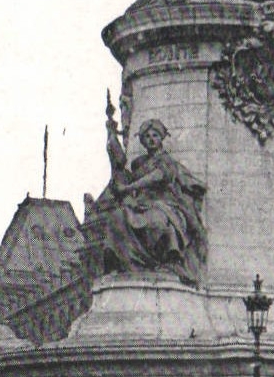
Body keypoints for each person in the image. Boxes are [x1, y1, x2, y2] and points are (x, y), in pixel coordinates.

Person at [89, 116, 207, 285]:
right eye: (147, 136)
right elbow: (121, 170)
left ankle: (166, 260)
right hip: (141, 204)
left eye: (155, 136)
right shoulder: (139, 163)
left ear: (161, 139)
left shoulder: (166, 160)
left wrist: (129, 188)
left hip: (166, 204)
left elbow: (157, 177)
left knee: (156, 221)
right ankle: (127, 263)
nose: (151, 139)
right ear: (143, 141)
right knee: (117, 217)